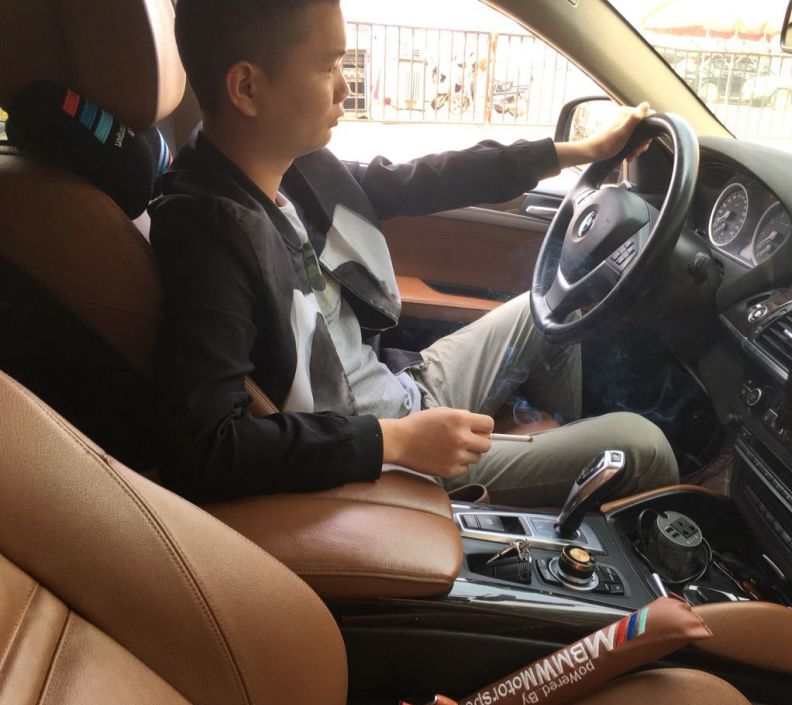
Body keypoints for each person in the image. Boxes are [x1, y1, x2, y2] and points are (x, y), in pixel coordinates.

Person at [151, 0, 679, 506]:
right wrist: (395, 442)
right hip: (379, 459)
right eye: (328, 67)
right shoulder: (207, 233)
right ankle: (550, 487)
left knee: (556, 308)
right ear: (246, 88)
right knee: (641, 446)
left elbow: (425, 178)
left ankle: (548, 482)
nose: (344, 87)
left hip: (402, 391)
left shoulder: (289, 169)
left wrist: (584, 151)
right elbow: (204, 449)